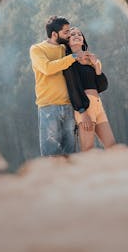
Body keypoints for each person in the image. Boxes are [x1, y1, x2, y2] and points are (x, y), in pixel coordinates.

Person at [29, 16, 93, 156]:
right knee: (51, 155)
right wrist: (73, 57)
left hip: (69, 107)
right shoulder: (37, 49)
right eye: (66, 32)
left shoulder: (65, 49)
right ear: (54, 34)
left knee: (70, 154)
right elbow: (47, 68)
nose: (69, 34)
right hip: (48, 108)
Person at [63, 26, 116, 151]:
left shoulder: (91, 60)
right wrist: (82, 111)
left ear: (83, 40)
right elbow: (73, 88)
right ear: (68, 41)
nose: (76, 35)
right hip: (85, 107)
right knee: (88, 149)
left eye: (79, 34)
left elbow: (102, 87)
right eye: (72, 34)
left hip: (98, 106)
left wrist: (96, 65)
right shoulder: (68, 61)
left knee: (112, 147)